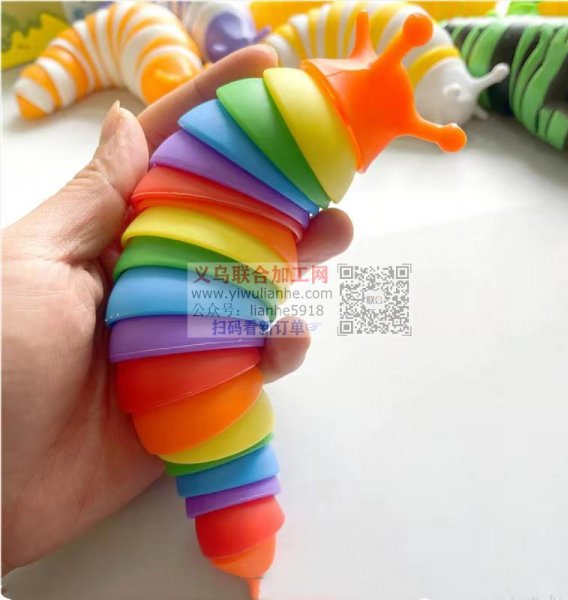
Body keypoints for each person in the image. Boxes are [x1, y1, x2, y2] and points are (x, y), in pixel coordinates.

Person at [2, 46, 353, 574]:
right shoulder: (274, 129)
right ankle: (240, 527)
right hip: (161, 350)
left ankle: (240, 526)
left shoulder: (252, 125)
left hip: (159, 348)